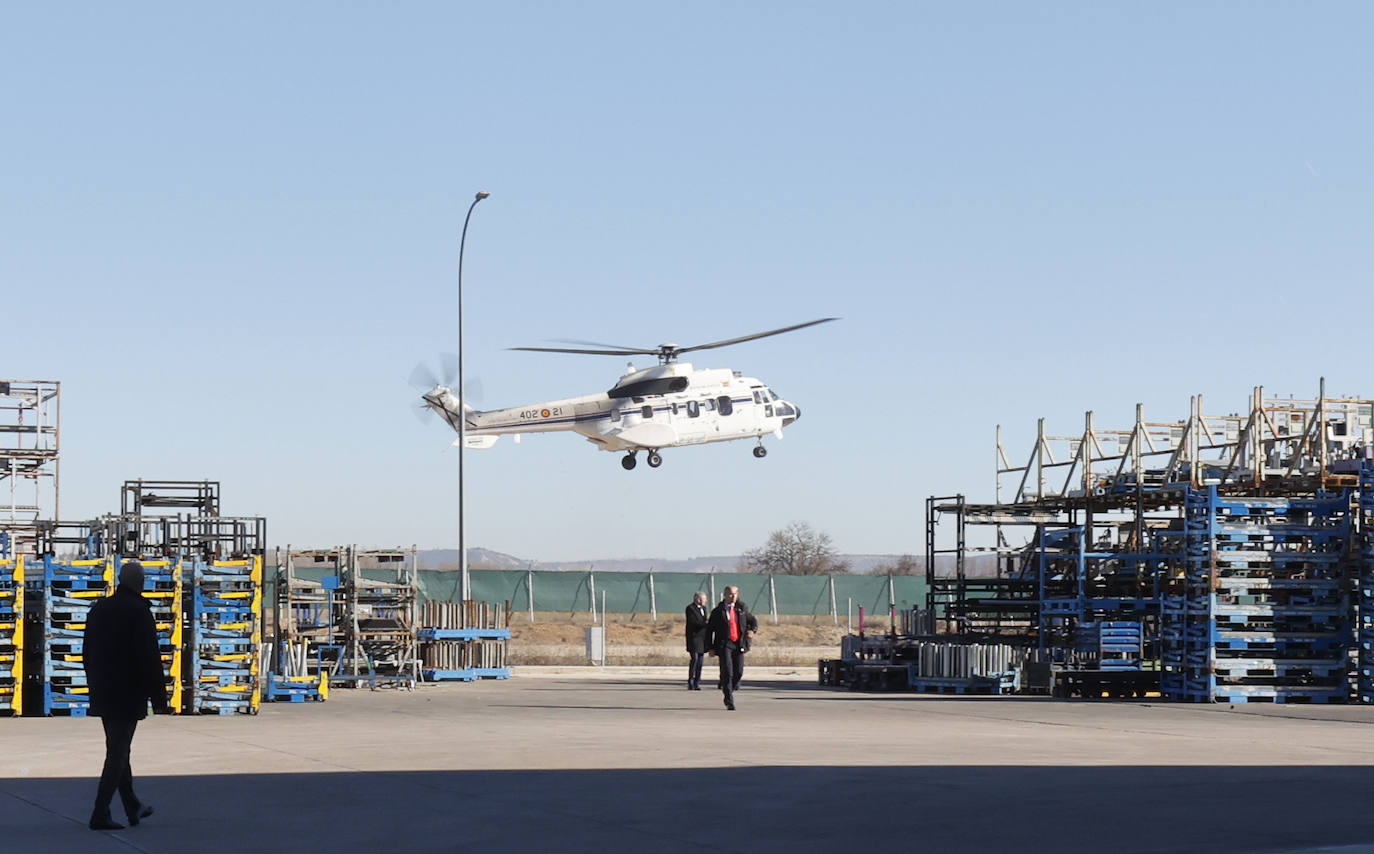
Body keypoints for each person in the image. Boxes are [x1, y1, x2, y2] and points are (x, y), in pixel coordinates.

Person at [83, 560, 170, 831]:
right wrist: (159, 699)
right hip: (127, 692)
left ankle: (132, 806)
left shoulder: (100, 608)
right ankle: (100, 813)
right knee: (118, 754)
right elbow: (149, 659)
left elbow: (86, 652)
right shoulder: (139, 612)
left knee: (120, 750)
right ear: (141, 583)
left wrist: (95, 683)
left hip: (103, 691)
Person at [705, 586, 757, 711]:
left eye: (735, 594)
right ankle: (729, 699)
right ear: (725, 595)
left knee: (738, 672)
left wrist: (752, 630)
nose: (733, 596)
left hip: (739, 644)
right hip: (725, 644)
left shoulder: (742, 608)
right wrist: (710, 647)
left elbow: (752, 621)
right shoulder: (718, 611)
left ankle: (728, 688)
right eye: (730, 594)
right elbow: (709, 630)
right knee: (727, 672)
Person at [684, 592, 710, 690]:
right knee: (694, 659)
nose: (706, 601)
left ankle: (697, 682)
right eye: (704, 599)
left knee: (700, 661)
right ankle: (690, 681)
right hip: (694, 638)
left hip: (702, 638)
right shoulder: (690, 608)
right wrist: (706, 624)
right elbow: (694, 622)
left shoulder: (704, 609)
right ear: (698, 599)